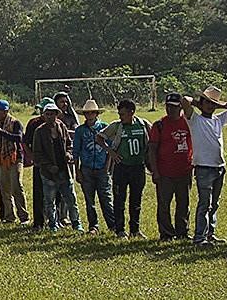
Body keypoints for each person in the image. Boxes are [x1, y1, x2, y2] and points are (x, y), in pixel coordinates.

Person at [186, 87, 227, 246]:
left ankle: (210, 233)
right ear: (201, 103)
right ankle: (199, 237)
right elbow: (185, 100)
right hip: (204, 167)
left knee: (214, 204)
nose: (210, 106)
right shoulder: (195, 119)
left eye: (213, 103)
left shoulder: (218, 119)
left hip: (219, 167)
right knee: (205, 203)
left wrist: (219, 104)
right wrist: (198, 103)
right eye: (207, 103)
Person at [147, 93, 193, 240]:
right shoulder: (159, 125)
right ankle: (166, 233)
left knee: (183, 204)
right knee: (164, 205)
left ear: (181, 107)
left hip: (185, 170)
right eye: (168, 107)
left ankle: (182, 232)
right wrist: (155, 171)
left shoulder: (189, 122)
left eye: (174, 107)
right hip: (164, 172)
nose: (170, 110)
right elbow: (152, 149)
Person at [30, 99, 78, 230]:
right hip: (48, 172)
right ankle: (53, 224)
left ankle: (76, 223)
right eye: (47, 114)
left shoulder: (61, 127)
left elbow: (69, 143)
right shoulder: (39, 131)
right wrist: (48, 165)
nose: (50, 116)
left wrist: (69, 154)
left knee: (70, 198)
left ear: (57, 114)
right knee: (49, 201)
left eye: (53, 114)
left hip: (64, 169)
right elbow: (37, 153)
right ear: (44, 115)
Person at [108, 99, 149, 238]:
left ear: (132, 112)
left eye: (123, 114)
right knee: (119, 200)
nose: (121, 117)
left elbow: (152, 140)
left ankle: (135, 230)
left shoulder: (142, 124)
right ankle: (120, 230)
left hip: (138, 167)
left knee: (136, 200)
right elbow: (99, 138)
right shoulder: (117, 126)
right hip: (121, 168)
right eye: (119, 114)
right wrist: (111, 152)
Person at [73, 99, 113, 233]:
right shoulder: (80, 131)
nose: (89, 115)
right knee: (89, 200)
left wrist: (107, 166)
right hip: (86, 169)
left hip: (102, 168)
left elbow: (110, 149)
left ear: (96, 114)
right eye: (87, 113)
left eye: (92, 113)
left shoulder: (105, 128)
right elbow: (76, 152)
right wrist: (77, 171)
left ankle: (112, 225)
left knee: (106, 198)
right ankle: (93, 225)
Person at [0, 100, 27, 223]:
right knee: (4, 189)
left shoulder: (15, 123)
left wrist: (1, 132)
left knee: (16, 187)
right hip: (3, 159)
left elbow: (19, 138)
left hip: (15, 158)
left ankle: (23, 216)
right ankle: (9, 216)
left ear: (5, 112)